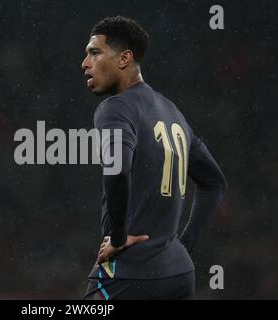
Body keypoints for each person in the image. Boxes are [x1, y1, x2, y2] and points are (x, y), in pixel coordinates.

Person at [81, 16, 227, 300]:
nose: (85, 63)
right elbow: (215, 183)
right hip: (178, 274)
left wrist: (120, 237)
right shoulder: (172, 112)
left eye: (94, 52)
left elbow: (118, 169)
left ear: (124, 58)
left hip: (130, 271)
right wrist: (184, 247)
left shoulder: (115, 108)